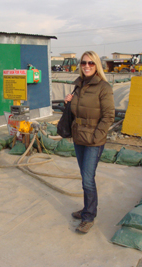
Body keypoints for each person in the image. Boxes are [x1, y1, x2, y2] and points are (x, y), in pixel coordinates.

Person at [64, 51, 115, 234]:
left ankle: (89, 217)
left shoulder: (104, 87)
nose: (87, 66)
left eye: (91, 63)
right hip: (79, 138)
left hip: (93, 140)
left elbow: (109, 116)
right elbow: (76, 110)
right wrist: (68, 103)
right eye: (84, 62)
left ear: (97, 65)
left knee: (87, 179)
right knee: (85, 178)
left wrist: (97, 137)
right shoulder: (78, 84)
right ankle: (87, 209)